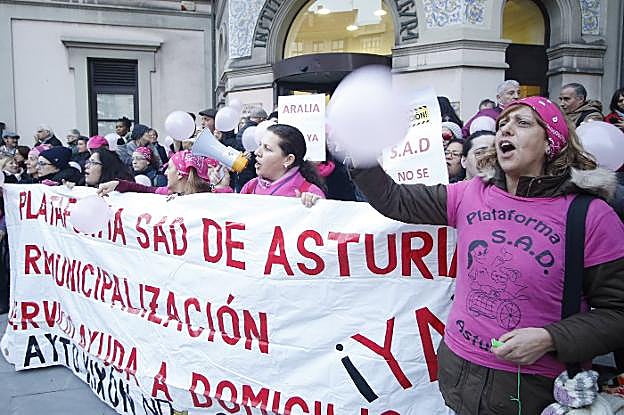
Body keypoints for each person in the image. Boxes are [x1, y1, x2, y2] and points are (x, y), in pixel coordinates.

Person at [349, 96, 624, 414]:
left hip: (533, 391)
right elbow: (395, 200)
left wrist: (550, 338)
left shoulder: (590, 216)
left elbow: (617, 313)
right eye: (502, 124)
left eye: (522, 123)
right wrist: (362, 156)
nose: (506, 130)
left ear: (553, 143)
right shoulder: (470, 193)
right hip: (458, 375)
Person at [241, 124, 325, 207]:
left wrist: (314, 206)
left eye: (267, 148)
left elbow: (324, 219)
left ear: (288, 160)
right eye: (260, 145)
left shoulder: (309, 194)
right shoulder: (250, 186)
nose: (257, 152)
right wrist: (227, 190)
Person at [98, 150, 216, 196]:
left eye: (169, 168)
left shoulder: (213, 199)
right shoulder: (169, 192)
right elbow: (146, 190)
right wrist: (117, 185)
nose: (165, 173)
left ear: (180, 174)